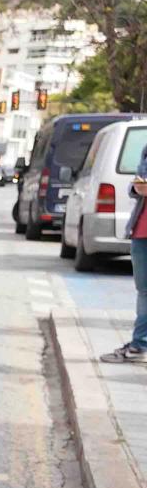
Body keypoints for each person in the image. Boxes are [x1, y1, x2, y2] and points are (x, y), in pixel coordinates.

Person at [99, 149, 147, 363]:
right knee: (144, 291)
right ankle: (139, 346)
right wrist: (138, 188)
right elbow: (135, 187)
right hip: (141, 232)